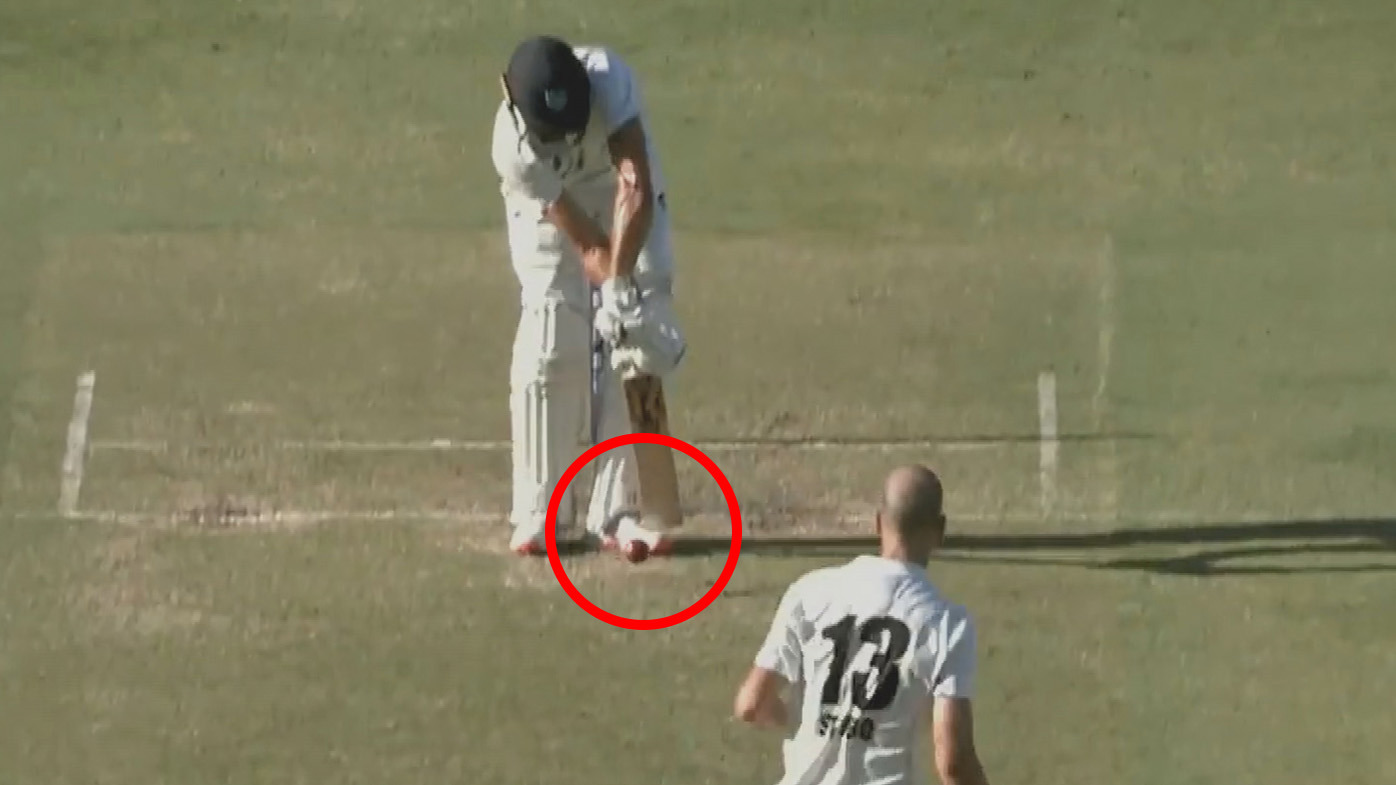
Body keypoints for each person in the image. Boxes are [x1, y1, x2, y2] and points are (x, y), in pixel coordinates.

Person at [490, 35, 687, 557]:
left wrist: (623, 291)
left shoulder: (608, 79)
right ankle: (541, 511)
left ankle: (625, 508)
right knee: (553, 331)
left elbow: (634, 184)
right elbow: (586, 245)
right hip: (554, 211)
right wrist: (610, 280)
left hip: (622, 191)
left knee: (641, 328)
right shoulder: (514, 150)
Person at [733, 466, 991, 785]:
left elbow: (751, 704)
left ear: (878, 522)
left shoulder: (810, 591)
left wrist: (804, 722)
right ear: (940, 530)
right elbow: (953, 762)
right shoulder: (948, 623)